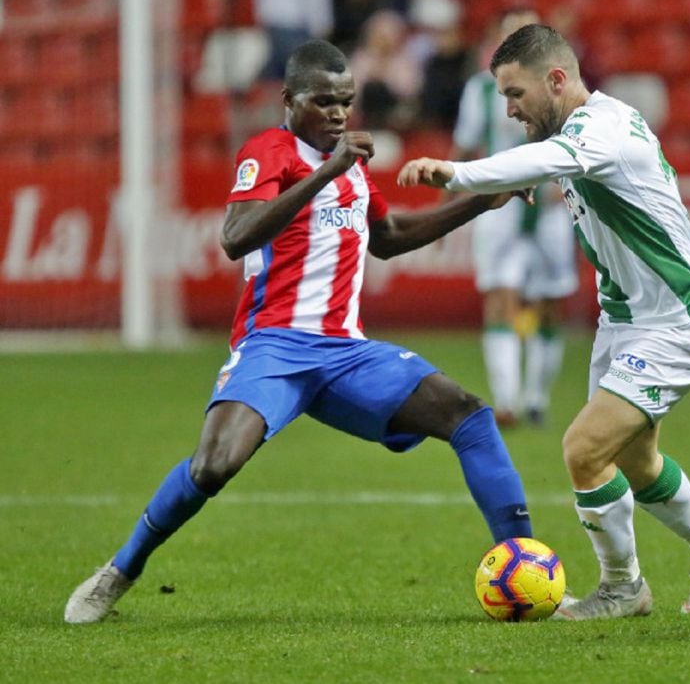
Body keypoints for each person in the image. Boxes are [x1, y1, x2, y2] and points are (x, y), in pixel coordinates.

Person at [64, 40, 533, 624]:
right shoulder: (269, 151)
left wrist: (479, 203)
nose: (338, 114)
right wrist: (325, 173)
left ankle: (525, 569)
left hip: (345, 351)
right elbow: (235, 237)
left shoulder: (353, 166)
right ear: (289, 101)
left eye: (346, 102)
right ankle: (120, 570)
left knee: (468, 413)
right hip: (274, 346)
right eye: (324, 102)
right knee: (213, 466)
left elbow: (386, 239)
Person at [397, 24, 690, 620]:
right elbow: (555, 162)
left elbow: (558, 157)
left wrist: (456, 172)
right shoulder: (581, 129)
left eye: (515, 95)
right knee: (635, 462)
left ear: (557, 80)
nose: (507, 109)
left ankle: (623, 588)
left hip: (674, 320)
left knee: (584, 451)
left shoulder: (600, 129)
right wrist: (528, 180)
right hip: (625, 322)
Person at [450, 10, 578, 428]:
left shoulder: (559, 88)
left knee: (548, 304)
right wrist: (445, 204)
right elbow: (465, 146)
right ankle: (505, 401)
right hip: (499, 207)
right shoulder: (480, 91)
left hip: (550, 207)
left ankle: (536, 397)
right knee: (501, 298)